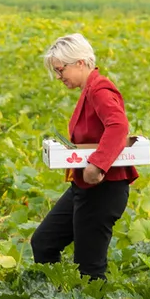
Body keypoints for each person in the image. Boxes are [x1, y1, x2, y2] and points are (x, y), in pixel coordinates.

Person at [30, 33, 137, 280]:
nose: (59, 77)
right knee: (44, 242)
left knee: (89, 267)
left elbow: (119, 126)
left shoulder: (99, 88)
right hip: (84, 187)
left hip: (103, 187)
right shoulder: (89, 89)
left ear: (79, 62)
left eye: (60, 69)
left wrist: (98, 165)